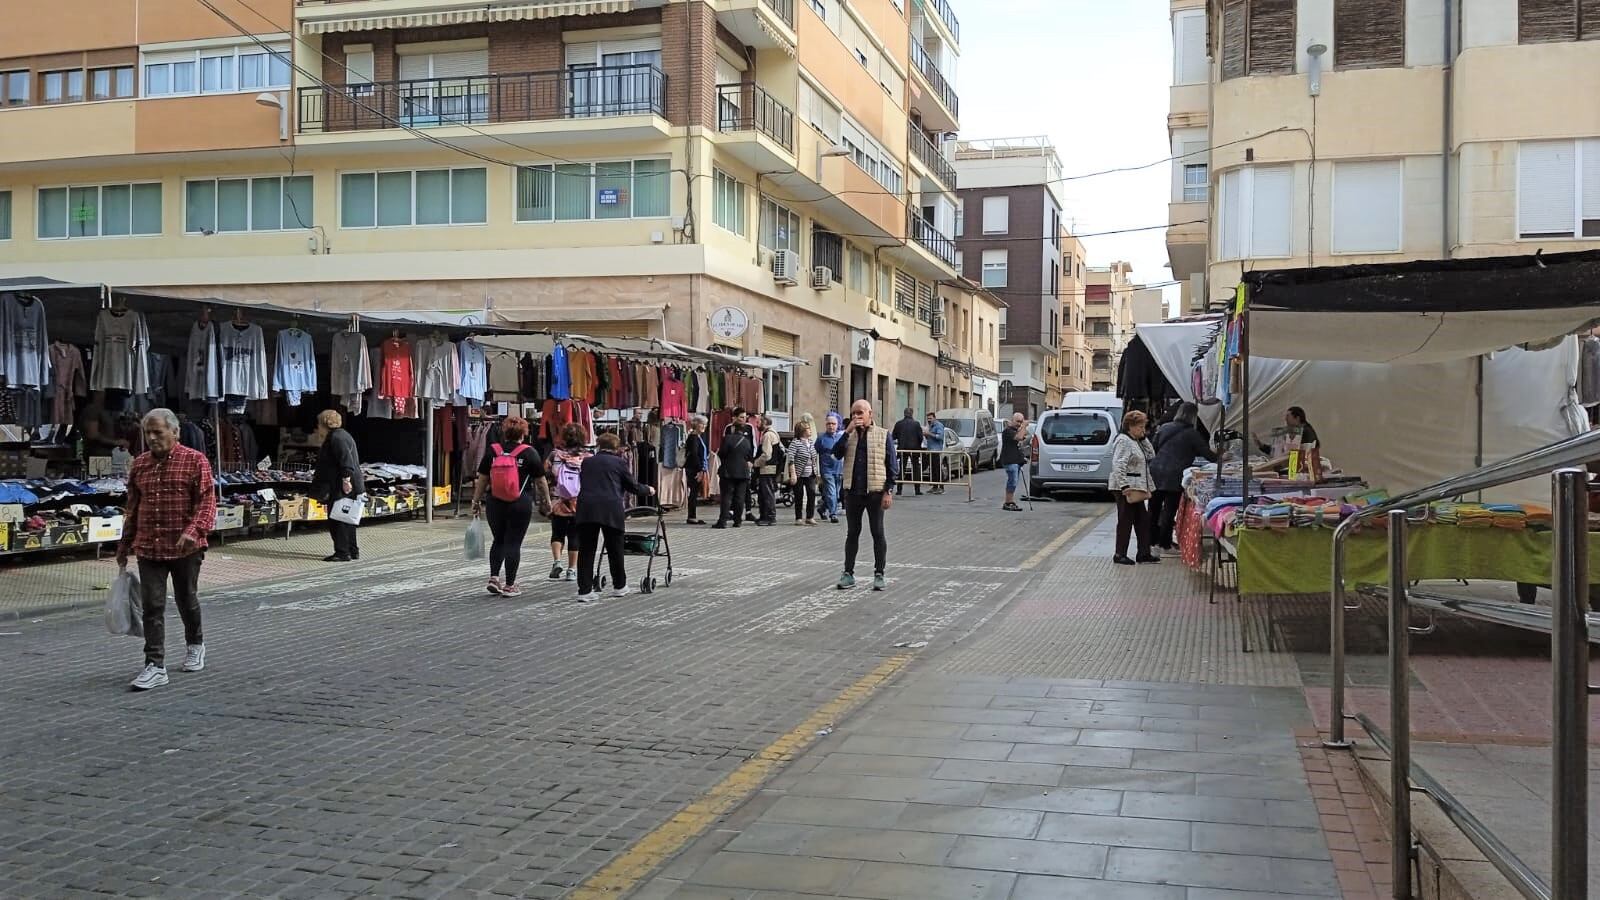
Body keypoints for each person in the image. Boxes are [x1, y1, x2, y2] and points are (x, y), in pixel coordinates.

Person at [117, 408, 217, 692]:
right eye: (147, 433)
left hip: (186, 547)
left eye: (157, 432)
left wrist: (193, 530)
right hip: (149, 545)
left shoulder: (195, 461)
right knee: (153, 605)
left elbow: (208, 502)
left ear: (175, 432)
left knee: (187, 598)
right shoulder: (140, 465)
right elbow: (132, 508)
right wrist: (124, 545)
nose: (151, 438)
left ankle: (195, 643)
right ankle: (155, 665)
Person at [471, 415, 551, 597]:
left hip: (494, 502)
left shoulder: (493, 451)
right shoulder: (529, 452)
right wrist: (546, 500)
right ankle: (510, 585)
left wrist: (476, 501)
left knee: (498, 540)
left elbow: (482, 478)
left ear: (504, 432)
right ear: (524, 433)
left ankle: (493, 577)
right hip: (520, 503)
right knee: (513, 542)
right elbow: (540, 480)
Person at [575, 432, 655, 601]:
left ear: (599, 445)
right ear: (616, 448)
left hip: (586, 507)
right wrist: (648, 489)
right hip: (610, 508)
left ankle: (584, 590)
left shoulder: (587, 462)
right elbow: (632, 486)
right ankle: (619, 585)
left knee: (586, 550)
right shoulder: (619, 463)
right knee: (615, 548)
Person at [832, 399, 897, 591]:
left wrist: (888, 490)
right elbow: (836, 454)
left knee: (877, 532)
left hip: (875, 492)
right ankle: (848, 573)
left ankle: (879, 574)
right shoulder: (848, 435)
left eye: (860, 413)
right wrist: (846, 432)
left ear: (870, 414)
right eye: (853, 413)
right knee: (852, 533)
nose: (856, 417)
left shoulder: (883, 434)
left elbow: (892, 465)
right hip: (853, 492)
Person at [1148, 402, 1217, 550]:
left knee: (1153, 508)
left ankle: (1149, 540)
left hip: (1155, 472)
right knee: (1169, 509)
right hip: (1175, 474)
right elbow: (1209, 455)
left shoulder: (1164, 428)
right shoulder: (1192, 434)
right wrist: (1223, 456)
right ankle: (1164, 542)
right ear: (1193, 416)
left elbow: (1152, 450)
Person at [313, 409, 365, 563]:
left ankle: (342, 552)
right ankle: (352, 550)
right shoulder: (343, 435)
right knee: (347, 517)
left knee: (337, 518)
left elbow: (345, 461)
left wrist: (346, 479)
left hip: (341, 484)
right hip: (348, 483)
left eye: (319, 423)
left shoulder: (336, 438)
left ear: (325, 423)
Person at [1110, 409, 1159, 566]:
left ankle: (1143, 553)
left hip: (1137, 487)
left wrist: (1143, 438)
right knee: (1125, 520)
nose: (1142, 430)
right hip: (1126, 488)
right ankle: (1120, 553)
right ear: (1129, 426)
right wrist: (1124, 485)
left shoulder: (1136, 441)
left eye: (1143, 427)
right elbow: (1119, 464)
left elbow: (1151, 455)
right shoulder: (1124, 441)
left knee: (1142, 520)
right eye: (1139, 427)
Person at [546, 424, 590, 581]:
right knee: (575, 535)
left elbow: (545, 474)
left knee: (557, 533)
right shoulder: (587, 457)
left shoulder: (554, 455)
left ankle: (557, 561)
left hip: (558, 500)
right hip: (578, 502)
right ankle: (572, 570)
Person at [714, 409, 755, 528]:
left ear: (733, 429)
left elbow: (721, 453)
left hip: (728, 472)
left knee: (727, 496)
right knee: (740, 497)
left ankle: (723, 521)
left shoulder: (727, 439)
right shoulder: (747, 441)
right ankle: (738, 521)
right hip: (743, 473)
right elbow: (749, 455)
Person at [788, 419, 820, 525]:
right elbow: (791, 458)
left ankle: (810, 516)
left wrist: (816, 471)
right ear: (802, 431)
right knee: (799, 495)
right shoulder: (795, 443)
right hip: (799, 473)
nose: (810, 430)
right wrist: (793, 474)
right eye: (808, 428)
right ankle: (798, 518)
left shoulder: (810, 442)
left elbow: (814, 457)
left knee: (811, 494)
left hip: (810, 473)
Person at [815, 412, 844, 524]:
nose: (831, 426)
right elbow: (814, 453)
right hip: (826, 470)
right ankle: (833, 514)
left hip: (839, 469)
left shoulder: (841, 437)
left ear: (837, 425)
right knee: (832, 492)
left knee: (835, 494)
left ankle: (822, 509)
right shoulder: (821, 438)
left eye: (833, 424)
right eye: (828, 424)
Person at [753, 414, 782, 525]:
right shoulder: (773, 433)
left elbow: (766, 455)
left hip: (767, 468)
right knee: (765, 492)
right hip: (770, 468)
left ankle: (769, 517)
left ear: (764, 422)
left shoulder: (768, 435)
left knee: (767, 493)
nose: (756, 425)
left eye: (758, 422)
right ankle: (765, 516)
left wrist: (756, 463)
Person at [1000, 412, 1029, 512]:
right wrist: (1024, 426)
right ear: (1012, 420)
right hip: (1010, 461)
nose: (1019, 423)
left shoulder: (1015, 430)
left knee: (1014, 481)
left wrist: (1023, 428)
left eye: (1021, 422)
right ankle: (1008, 502)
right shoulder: (1008, 431)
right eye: (1018, 421)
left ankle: (1010, 501)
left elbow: (1024, 437)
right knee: (1012, 481)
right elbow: (1019, 437)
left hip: (1016, 461)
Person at [891, 408, 924, 496]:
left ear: (904, 414)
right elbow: (920, 437)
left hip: (902, 448)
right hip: (914, 449)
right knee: (916, 469)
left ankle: (899, 489)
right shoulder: (916, 424)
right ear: (912, 414)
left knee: (902, 469)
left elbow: (893, 436)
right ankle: (917, 489)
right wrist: (918, 445)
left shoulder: (899, 424)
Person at [684, 415, 710, 525]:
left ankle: (692, 515)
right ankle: (691, 517)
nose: (704, 426)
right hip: (694, 469)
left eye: (705, 424)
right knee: (693, 492)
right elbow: (694, 455)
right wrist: (700, 470)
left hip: (697, 468)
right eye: (701, 424)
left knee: (695, 492)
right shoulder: (694, 437)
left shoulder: (698, 437)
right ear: (696, 424)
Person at [924, 412, 948, 495]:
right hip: (931, 450)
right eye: (928, 419)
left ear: (934, 418)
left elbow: (940, 436)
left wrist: (929, 434)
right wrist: (926, 435)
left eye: (930, 418)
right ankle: (934, 486)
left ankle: (941, 487)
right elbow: (930, 437)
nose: (929, 420)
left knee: (937, 469)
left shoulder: (938, 425)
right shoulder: (930, 426)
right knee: (933, 469)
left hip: (936, 450)